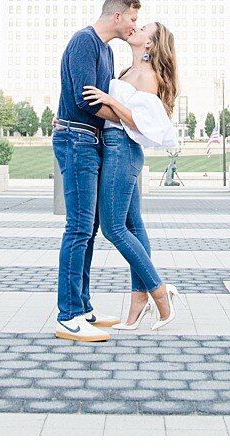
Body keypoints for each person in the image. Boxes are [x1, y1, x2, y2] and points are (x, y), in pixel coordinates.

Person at [82, 21, 182, 332]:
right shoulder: (129, 71)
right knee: (132, 225)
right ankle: (139, 298)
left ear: (149, 45)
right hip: (115, 146)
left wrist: (112, 100)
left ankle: (158, 290)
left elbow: (143, 123)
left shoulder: (148, 77)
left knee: (112, 228)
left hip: (122, 149)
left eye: (143, 30)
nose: (135, 29)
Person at [53, 0, 139, 343]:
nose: (135, 26)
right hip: (76, 139)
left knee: (89, 228)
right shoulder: (84, 42)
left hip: (92, 141)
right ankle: (67, 315)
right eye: (133, 19)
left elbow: (104, 100)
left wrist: (119, 114)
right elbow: (85, 100)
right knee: (78, 228)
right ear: (117, 16)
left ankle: (83, 307)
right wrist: (127, 119)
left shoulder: (106, 50)